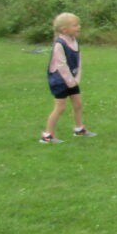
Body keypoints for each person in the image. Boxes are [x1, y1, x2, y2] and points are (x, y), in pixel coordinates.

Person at [40, 13, 97, 143]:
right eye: (75, 25)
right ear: (64, 29)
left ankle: (79, 129)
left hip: (72, 80)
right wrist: (71, 81)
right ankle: (47, 135)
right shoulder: (59, 44)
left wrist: (76, 78)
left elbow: (78, 62)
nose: (79, 27)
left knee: (77, 104)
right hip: (60, 81)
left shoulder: (74, 41)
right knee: (60, 107)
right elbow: (61, 65)